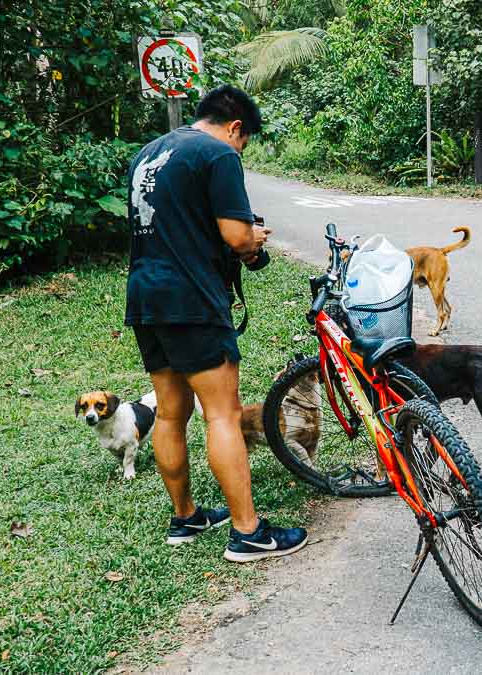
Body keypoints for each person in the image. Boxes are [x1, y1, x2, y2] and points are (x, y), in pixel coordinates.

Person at [124, 84, 307, 562]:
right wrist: (253, 238)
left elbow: (176, 223)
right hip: (192, 298)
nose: (240, 150)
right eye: (244, 142)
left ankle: (185, 517)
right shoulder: (217, 154)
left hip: (146, 293)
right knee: (221, 413)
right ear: (235, 128)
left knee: (168, 412)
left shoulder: (151, 152)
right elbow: (236, 236)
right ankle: (249, 533)